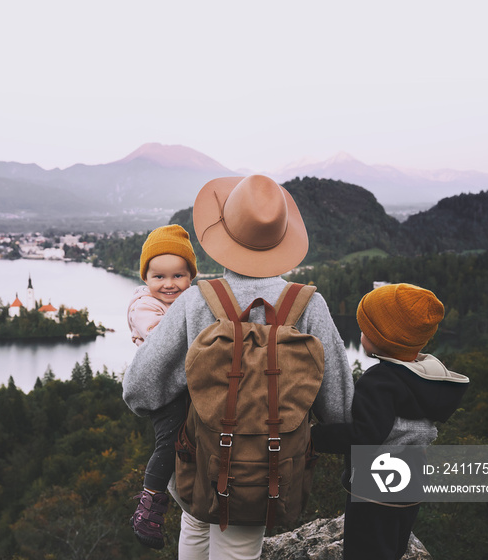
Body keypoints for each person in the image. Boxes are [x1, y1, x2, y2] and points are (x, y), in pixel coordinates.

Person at [123, 174, 356, 560]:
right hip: (268, 471)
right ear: (282, 238)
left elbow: (140, 390)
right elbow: (340, 409)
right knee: (236, 549)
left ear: (224, 236)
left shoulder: (196, 302)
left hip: (200, 459)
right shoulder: (308, 306)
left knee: (195, 523)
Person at [311, 283, 469, 560]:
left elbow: (365, 436)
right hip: (412, 480)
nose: (361, 333)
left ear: (382, 338)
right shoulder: (427, 377)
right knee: (391, 546)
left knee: (365, 550)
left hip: (377, 487)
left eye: (365, 328)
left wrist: (315, 437)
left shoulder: (380, 381)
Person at [127, 224, 198, 550]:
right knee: (169, 441)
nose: (169, 284)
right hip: (160, 389)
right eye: (159, 277)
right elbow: (162, 341)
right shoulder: (144, 306)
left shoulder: (189, 300)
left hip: (180, 383)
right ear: (146, 278)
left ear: (191, 276)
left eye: (178, 276)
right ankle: (150, 504)